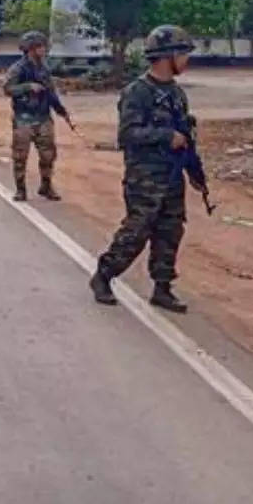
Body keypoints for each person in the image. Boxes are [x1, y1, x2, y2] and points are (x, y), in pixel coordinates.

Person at [90, 25, 201, 314]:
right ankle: (104, 275)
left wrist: (194, 172)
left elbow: (184, 136)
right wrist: (166, 136)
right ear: (168, 56)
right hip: (145, 178)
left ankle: (162, 288)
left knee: (170, 231)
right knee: (137, 230)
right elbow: (127, 135)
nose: (187, 60)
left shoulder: (176, 94)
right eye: (184, 54)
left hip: (173, 175)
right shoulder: (137, 92)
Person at [2, 30, 73, 202]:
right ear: (31, 49)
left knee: (48, 155)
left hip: (43, 117)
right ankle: (20, 189)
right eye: (40, 46)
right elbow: (7, 89)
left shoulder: (44, 68)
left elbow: (50, 92)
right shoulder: (17, 69)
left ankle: (46, 186)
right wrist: (27, 87)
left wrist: (60, 110)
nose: (44, 49)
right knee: (20, 156)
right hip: (23, 118)